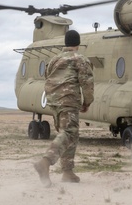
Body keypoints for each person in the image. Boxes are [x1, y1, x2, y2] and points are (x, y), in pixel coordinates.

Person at [33, 30, 94, 186]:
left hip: (53, 100)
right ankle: (45, 162)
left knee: (69, 134)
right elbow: (87, 82)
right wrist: (87, 102)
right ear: (78, 44)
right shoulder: (79, 59)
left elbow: (47, 75)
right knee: (69, 132)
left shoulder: (54, 59)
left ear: (65, 43)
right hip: (68, 99)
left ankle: (67, 172)